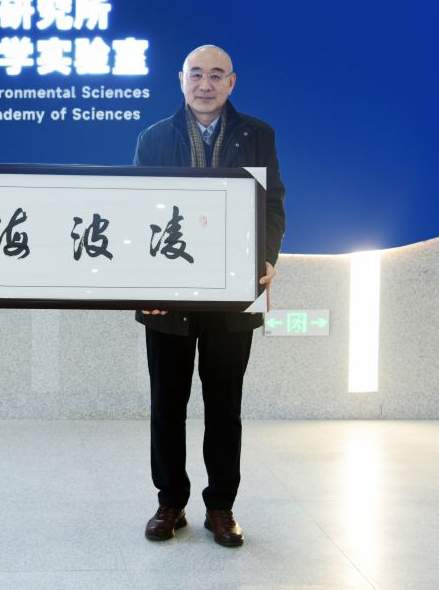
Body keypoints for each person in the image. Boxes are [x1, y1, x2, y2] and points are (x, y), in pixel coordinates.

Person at [133, 45, 285, 547]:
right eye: (196, 74)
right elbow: (138, 213)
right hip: (168, 299)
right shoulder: (154, 139)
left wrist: (267, 257)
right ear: (181, 80)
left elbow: (273, 204)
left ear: (231, 82)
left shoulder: (257, 135)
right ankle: (170, 503)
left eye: (216, 75)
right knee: (167, 406)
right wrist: (144, 288)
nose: (205, 84)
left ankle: (220, 507)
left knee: (224, 407)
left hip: (233, 294)